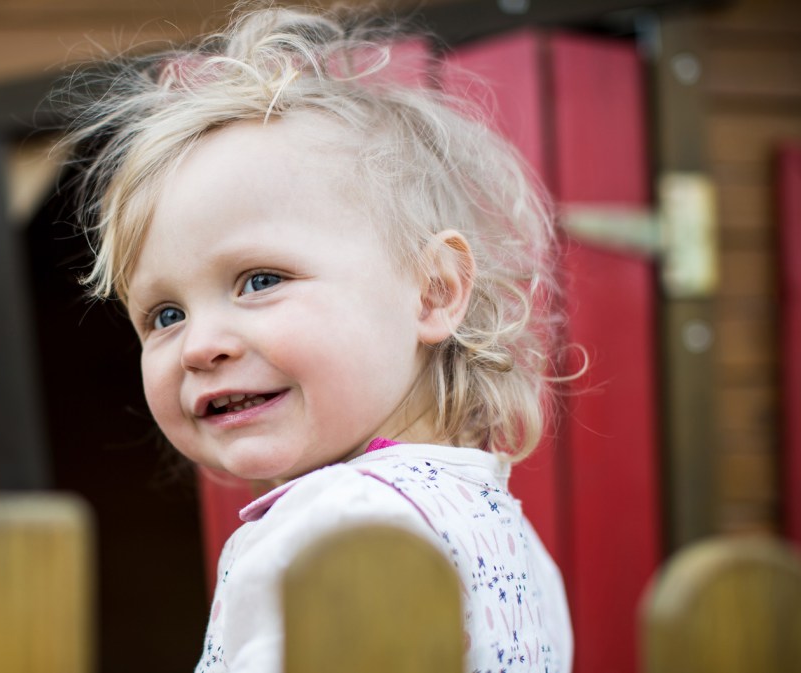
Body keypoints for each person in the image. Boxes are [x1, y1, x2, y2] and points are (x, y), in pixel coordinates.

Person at [65, 5, 573, 672]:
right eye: (163, 315)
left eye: (259, 278)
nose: (197, 346)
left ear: (433, 291)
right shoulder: (505, 530)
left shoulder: (329, 527)